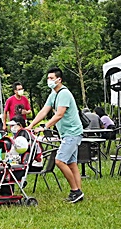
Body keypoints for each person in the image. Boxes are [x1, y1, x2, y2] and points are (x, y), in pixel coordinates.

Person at [31, 66, 85, 204]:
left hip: (72, 133)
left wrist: (44, 127)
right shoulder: (53, 94)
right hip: (66, 133)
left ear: (59, 79)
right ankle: (78, 193)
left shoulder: (64, 93)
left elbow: (59, 114)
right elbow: (44, 111)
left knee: (59, 161)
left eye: (51, 78)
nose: (49, 81)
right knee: (72, 164)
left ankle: (75, 191)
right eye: (48, 78)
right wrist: (31, 126)